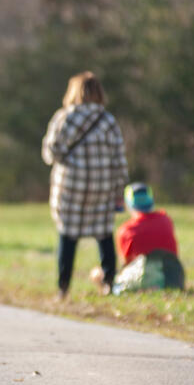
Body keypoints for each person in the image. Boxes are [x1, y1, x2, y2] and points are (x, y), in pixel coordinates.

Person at [41, 71, 128, 297]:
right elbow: (119, 158)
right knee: (104, 233)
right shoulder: (108, 120)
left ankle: (63, 287)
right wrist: (119, 190)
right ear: (99, 92)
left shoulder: (63, 117)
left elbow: (50, 153)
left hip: (70, 187)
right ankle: (109, 282)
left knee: (67, 235)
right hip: (102, 187)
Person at [110, 182, 184, 292]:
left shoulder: (126, 230)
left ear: (128, 203)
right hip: (173, 279)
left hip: (141, 280)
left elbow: (126, 264)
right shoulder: (166, 220)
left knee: (98, 274)